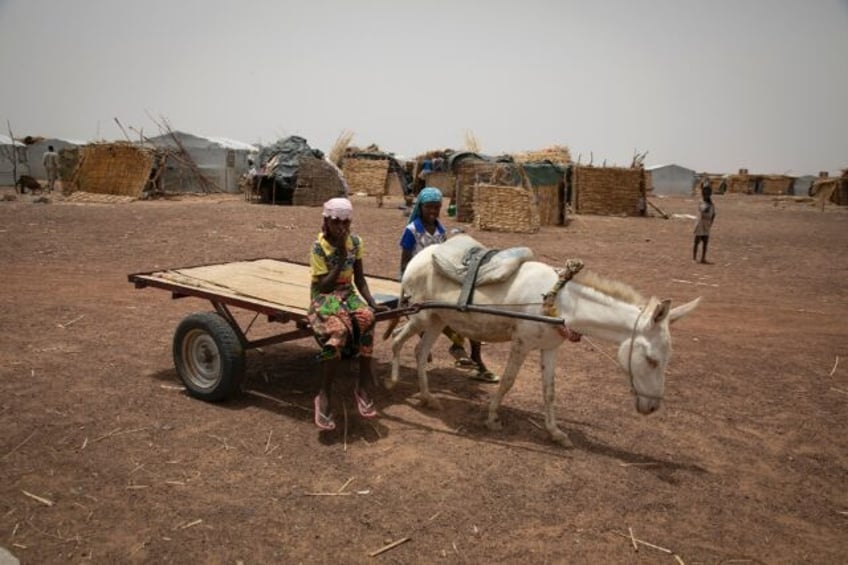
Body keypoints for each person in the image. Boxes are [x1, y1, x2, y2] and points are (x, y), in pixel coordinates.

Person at [399, 187, 499, 383]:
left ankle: (475, 357)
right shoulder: (412, 231)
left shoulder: (440, 230)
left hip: (437, 281)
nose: (433, 212)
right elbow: (404, 263)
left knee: (468, 305)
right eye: (429, 207)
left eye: (437, 207)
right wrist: (410, 287)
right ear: (421, 207)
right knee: (444, 313)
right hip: (418, 282)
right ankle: (454, 347)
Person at [308, 197, 389, 430]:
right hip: (324, 296)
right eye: (336, 222)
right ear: (326, 221)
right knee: (339, 331)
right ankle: (324, 393)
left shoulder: (355, 242)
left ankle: (362, 385)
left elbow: (359, 278)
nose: (341, 227)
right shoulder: (318, 247)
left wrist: (372, 302)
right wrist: (341, 257)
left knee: (368, 319)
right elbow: (323, 286)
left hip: (347, 293)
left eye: (345, 223)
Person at [693, 184, 716, 264]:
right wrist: (708, 204)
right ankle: (694, 258)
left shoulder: (711, 203)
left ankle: (703, 258)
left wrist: (711, 222)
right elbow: (704, 210)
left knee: (705, 242)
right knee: (697, 241)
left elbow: (714, 214)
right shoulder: (701, 202)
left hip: (707, 224)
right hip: (700, 223)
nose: (706, 194)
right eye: (705, 193)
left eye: (708, 193)